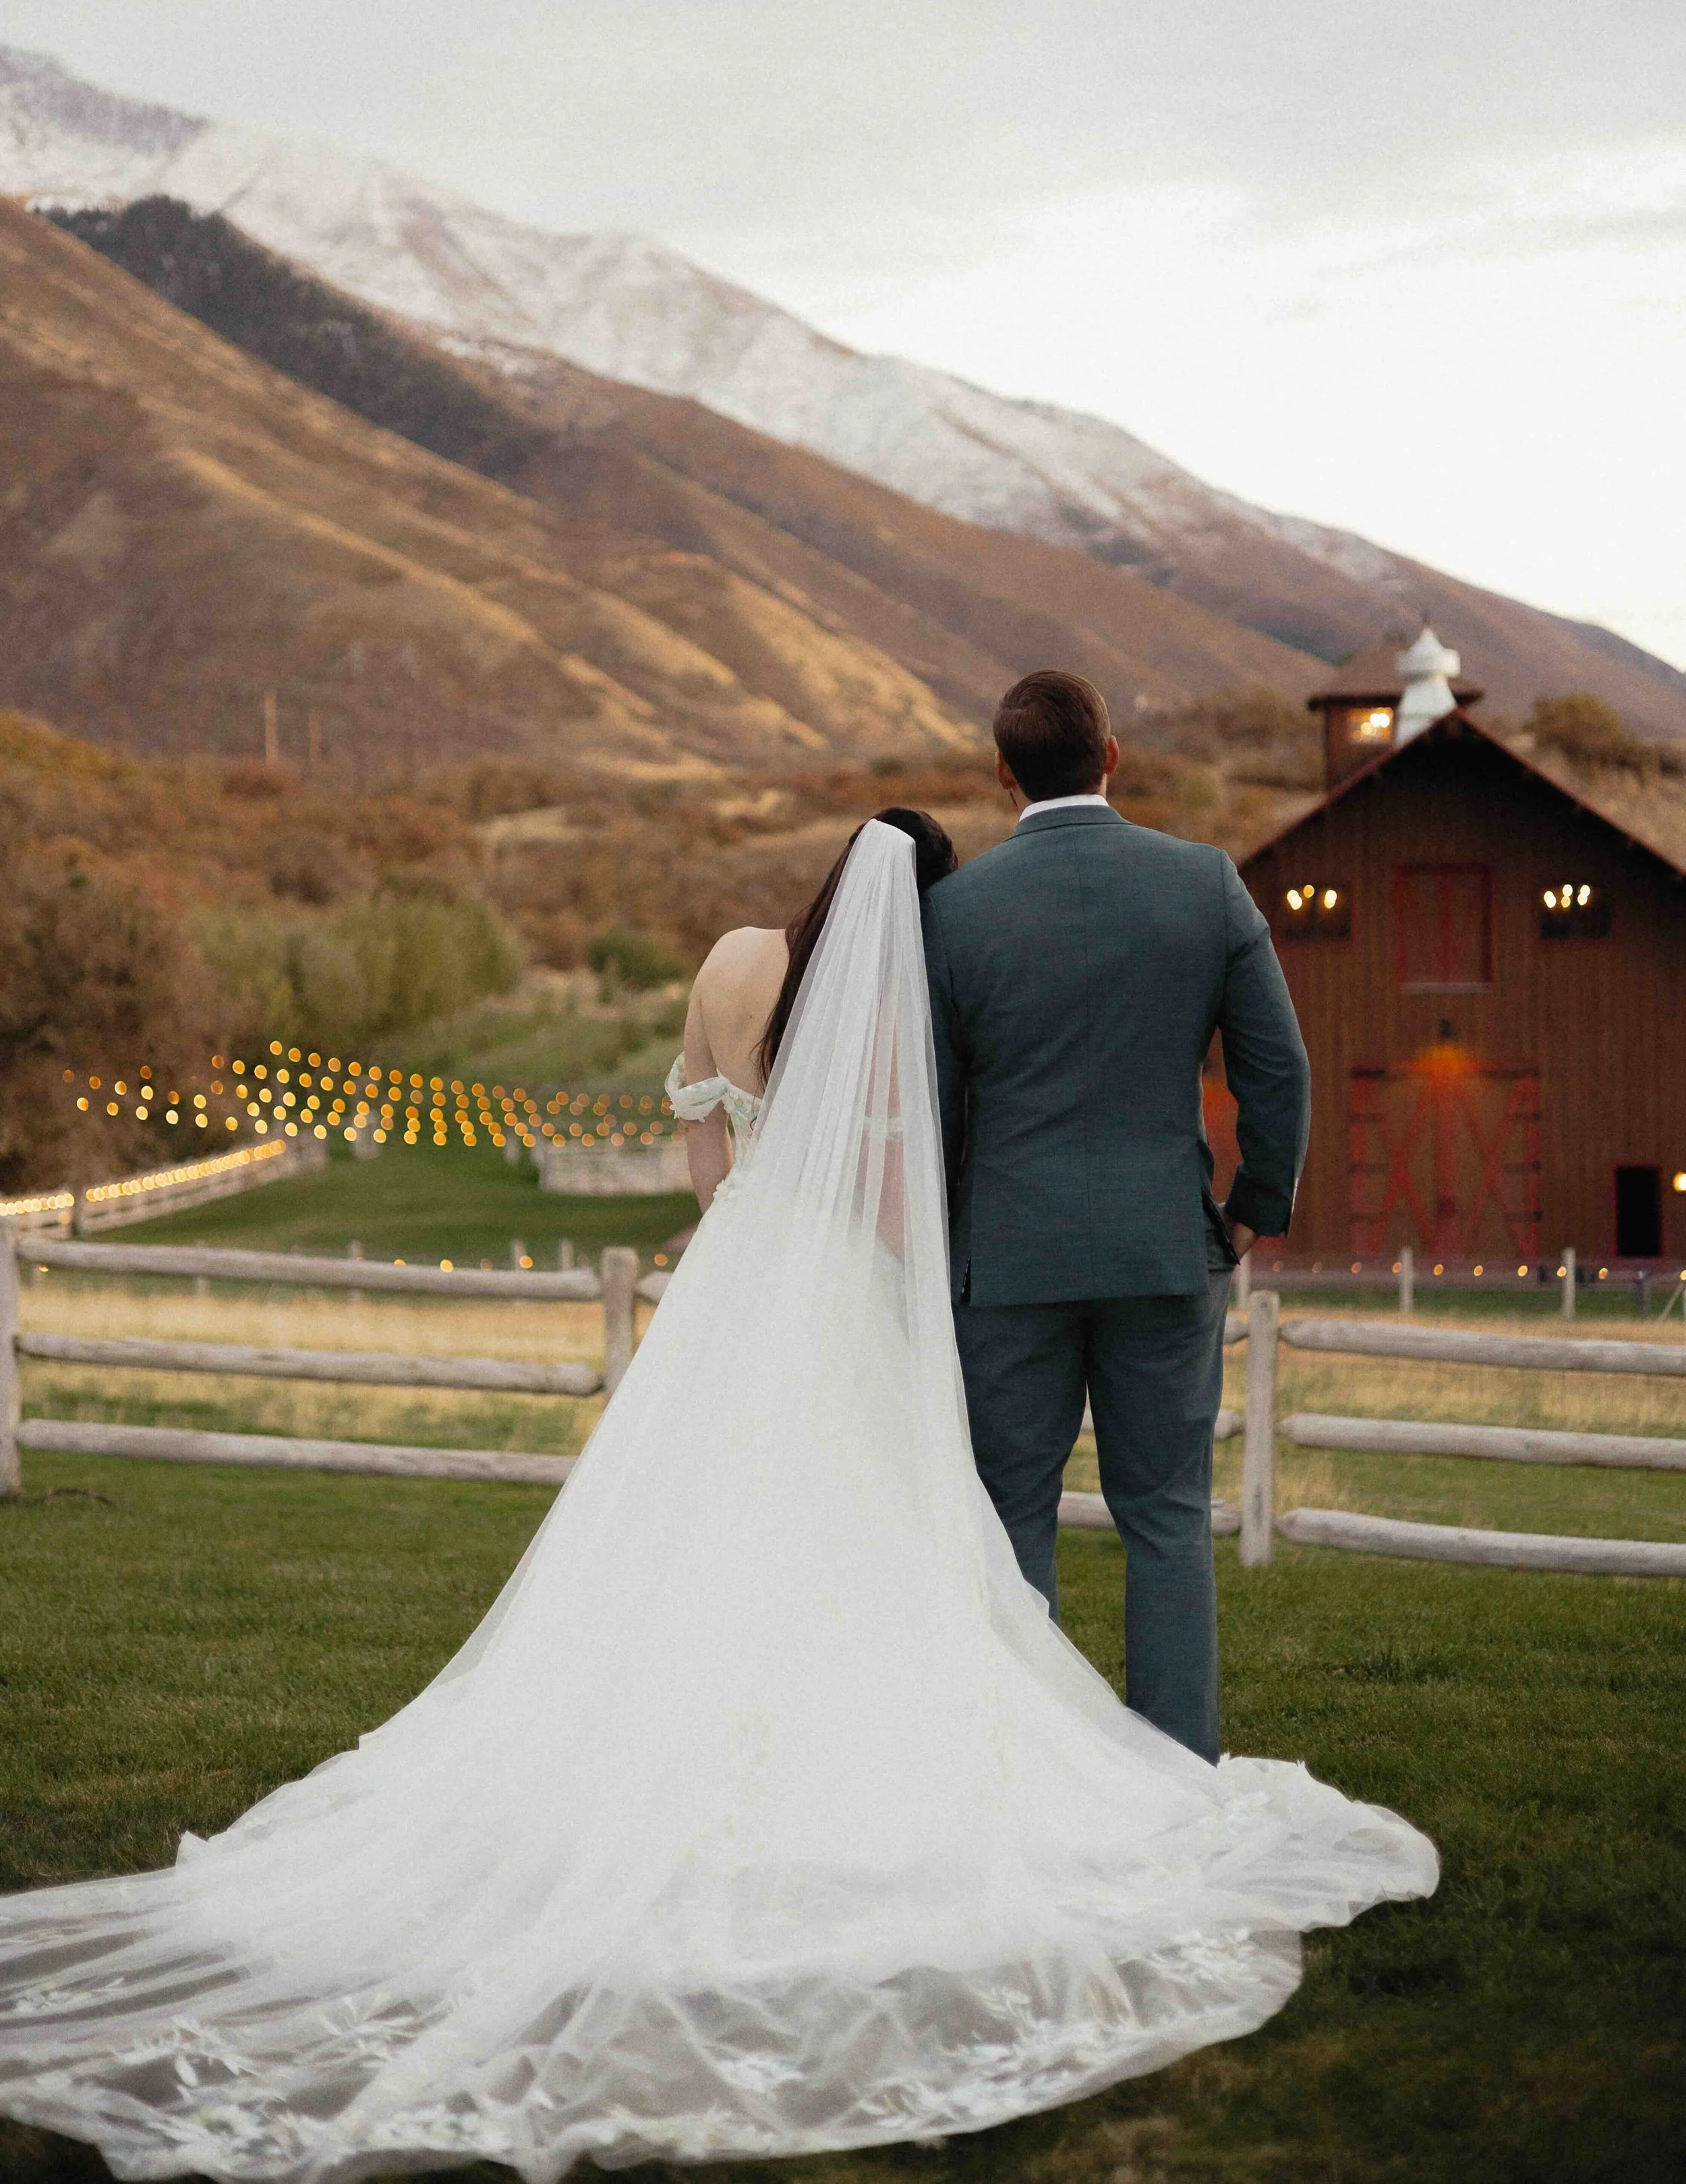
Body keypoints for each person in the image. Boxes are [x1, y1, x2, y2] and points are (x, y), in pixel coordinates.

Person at [0, 803, 1432, 2181]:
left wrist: (731, 1232)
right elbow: (889, 1180)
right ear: (914, 901)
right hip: (842, 1279)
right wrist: (891, 1280)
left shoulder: (731, 961)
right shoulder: (877, 995)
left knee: (687, 1528)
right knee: (867, 1530)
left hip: (733, 1273)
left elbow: (697, 1121)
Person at [923, 670, 1310, 1762]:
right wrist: (1250, 1209)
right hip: (1164, 1248)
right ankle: (1179, 1769)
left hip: (1005, 1262)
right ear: (1114, 754)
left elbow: (939, 1102)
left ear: (1003, 772)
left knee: (1008, 1522)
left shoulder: (953, 913)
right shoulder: (1204, 883)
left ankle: (1025, 1771)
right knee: (1167, 1519)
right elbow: (1278, 1067)